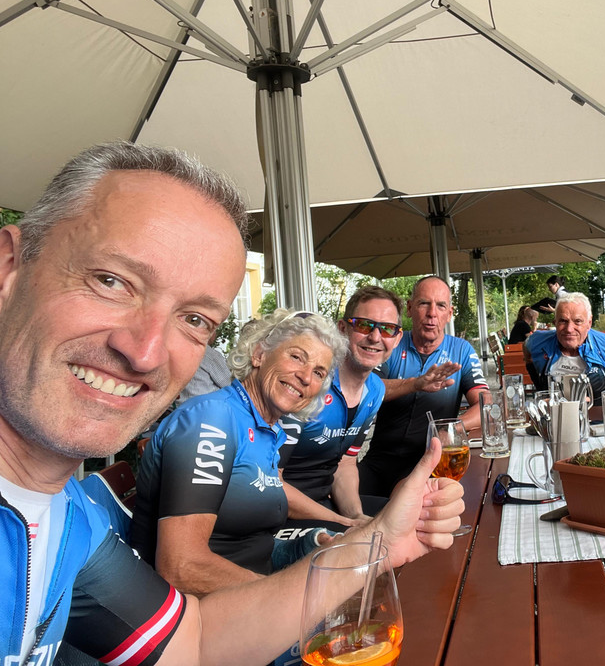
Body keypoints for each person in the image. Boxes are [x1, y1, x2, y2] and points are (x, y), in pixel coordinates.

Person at [0, 142, 463, 666]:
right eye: (111, 281)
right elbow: (182, 568)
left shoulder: (70, 521)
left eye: (195, 319)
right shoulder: (211, 421)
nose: (145, 351)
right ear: (8, 267)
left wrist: (372, 535)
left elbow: (193, 641)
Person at [131, 307, 347, 596]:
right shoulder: (213, 419)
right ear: (259, 354)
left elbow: (249, 547)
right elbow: (182, 567)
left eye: (319, 372)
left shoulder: (266, 430)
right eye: (297, 357)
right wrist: (286, 594)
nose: (306, 377)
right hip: (195, 608)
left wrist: (307, 544)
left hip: (244, 592)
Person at [279, 286, 403, 522]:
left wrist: (356, 515)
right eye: (364, 325)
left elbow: (345, 464)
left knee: (409, 518)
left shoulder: (375, 390)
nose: (375, 337)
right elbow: (269, 481)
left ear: (397, 339)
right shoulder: (311, 381)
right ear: (343, 329)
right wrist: (345, 524)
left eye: (387, 329)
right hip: (277, 512)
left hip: (324, 503)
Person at [357, 275, 488, 498]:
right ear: (409, 308)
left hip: (430, 462)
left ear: (449, 313)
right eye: (424, 303)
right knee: (344, 508)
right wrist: (416, 384)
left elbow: (485, 404)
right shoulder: (391, 343)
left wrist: (452, 429)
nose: (432, 313)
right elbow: (367, 389)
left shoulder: (462, 351)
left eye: (441, 306)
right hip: (379, 460)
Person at [523, 292, 605, 402]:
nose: (569, 329)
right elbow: (526, 346)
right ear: (555, 323)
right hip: (555, 418)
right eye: (563, 321)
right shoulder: (538, 341)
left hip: (598, 418)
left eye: (577, 321)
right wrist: (534, 373)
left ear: (589, 323)